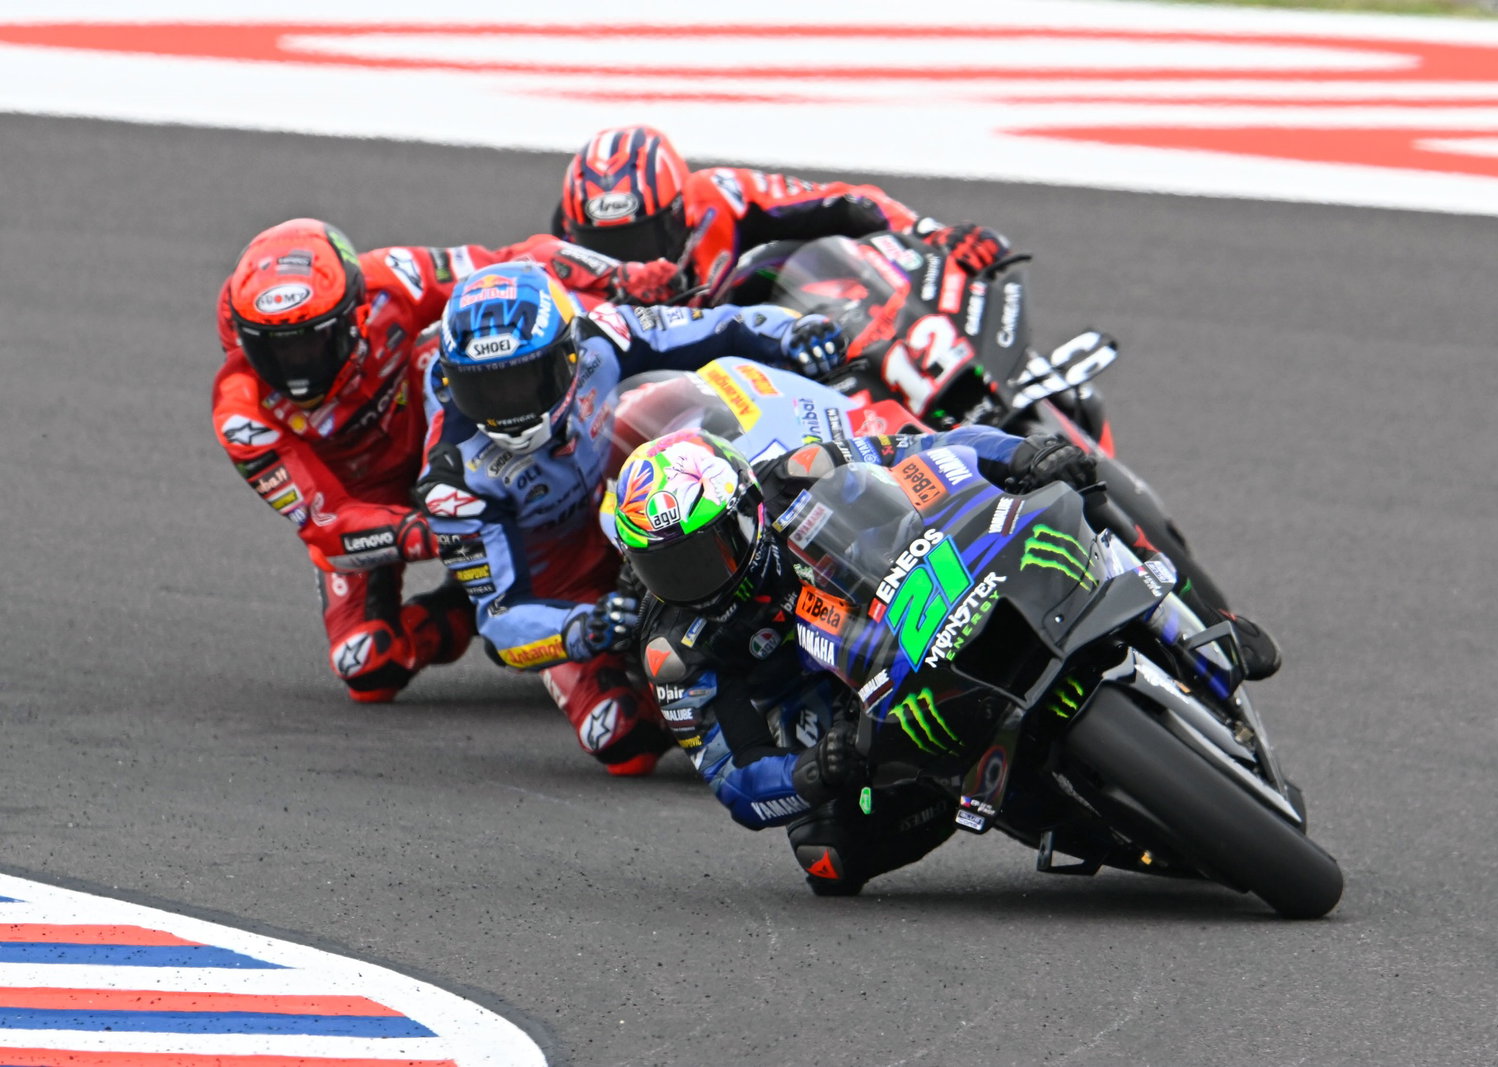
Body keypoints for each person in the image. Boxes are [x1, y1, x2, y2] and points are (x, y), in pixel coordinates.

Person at [611, 426, 1281, 892]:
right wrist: (813, 769)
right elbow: (736, 778)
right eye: (662, 567)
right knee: (828, 856)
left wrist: (1017, 453)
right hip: (857, 725)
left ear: (744, 513)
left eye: (702, 554)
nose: (690, 580)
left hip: (919, 599)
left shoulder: (797, 473)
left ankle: (1201, 625)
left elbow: (922, 450)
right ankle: (1065, 816)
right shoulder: (676, 649)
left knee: (1073, 485)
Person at [211, 217, 686, 703]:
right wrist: (436, 531)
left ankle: (638, 380)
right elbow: (326, 526)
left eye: (311, 342)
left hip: (452, 441)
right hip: (373, 503)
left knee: (453, 342)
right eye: (273, 350)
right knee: (366, 661)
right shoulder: (240, 412)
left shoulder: (393, 278)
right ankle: (466, 604)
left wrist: (620, 277)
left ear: (353, 314)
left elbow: (512, 263)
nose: (296, 369)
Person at [413, 260, 848, 775]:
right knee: (620, 737)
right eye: (485, 390)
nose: (508, 410)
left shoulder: (601, 335)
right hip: (570, 592)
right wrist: (582, 627)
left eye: (525, 381)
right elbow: (502, 623)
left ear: (568, 354)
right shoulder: (452, 481)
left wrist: (788, 333)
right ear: (449, 381)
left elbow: (706, 327)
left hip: (638, 498)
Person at [554, 124, 1012, 298]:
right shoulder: (560, 265)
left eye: (637, 240)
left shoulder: (721, 195)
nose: (627, 260)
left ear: (678, 214)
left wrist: (932, 235)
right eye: (603, 246)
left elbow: (850, 204)